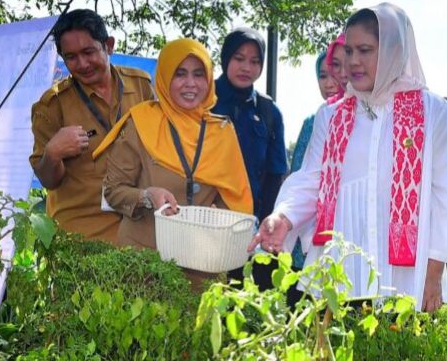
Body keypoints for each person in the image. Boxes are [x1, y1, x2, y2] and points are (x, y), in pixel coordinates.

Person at [251, 3, 447, 311]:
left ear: (393, 50)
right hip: (340, 268)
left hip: (407, 275)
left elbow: (446, 195)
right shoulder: (332, 115)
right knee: (336, 356)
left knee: (397, 356)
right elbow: (311, 180)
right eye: (349, 51)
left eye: (365, 50)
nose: (354, 62)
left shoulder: (432, 111)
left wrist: (433, 275)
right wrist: (283, 217)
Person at [94, 38, 253, 260]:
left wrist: (221, 216)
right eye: (180, 74)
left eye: (199, 74)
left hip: (203, 263)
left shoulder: (222, 131)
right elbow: (113, 191)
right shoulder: (142, 122)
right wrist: (147, 196)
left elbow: (235, 200)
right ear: (165, 77)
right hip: (144, 263)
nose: (191, 83)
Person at [30, 9, 154, 243]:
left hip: (140, 226)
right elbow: (49, 180)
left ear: (108, 45)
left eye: (88, 52)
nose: (82, 64)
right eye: (71, 57)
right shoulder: (51, 106)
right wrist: (53, 153)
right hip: (83, 236)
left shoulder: (142, 87)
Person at [212, 28, 288, 222]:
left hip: (248, 222)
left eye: (255, 62)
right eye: (239, 58)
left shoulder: (269, 112)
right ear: (226, 58)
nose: (246, 67)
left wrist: (265, 224)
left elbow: (275, 176)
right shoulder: (204, 100)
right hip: (203, 215)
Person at [289, 48, 342, 271]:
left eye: (334, 73)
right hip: (310, 228)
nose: (329, 83)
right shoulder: (313, 121)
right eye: (322, 76)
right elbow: (302, 175)